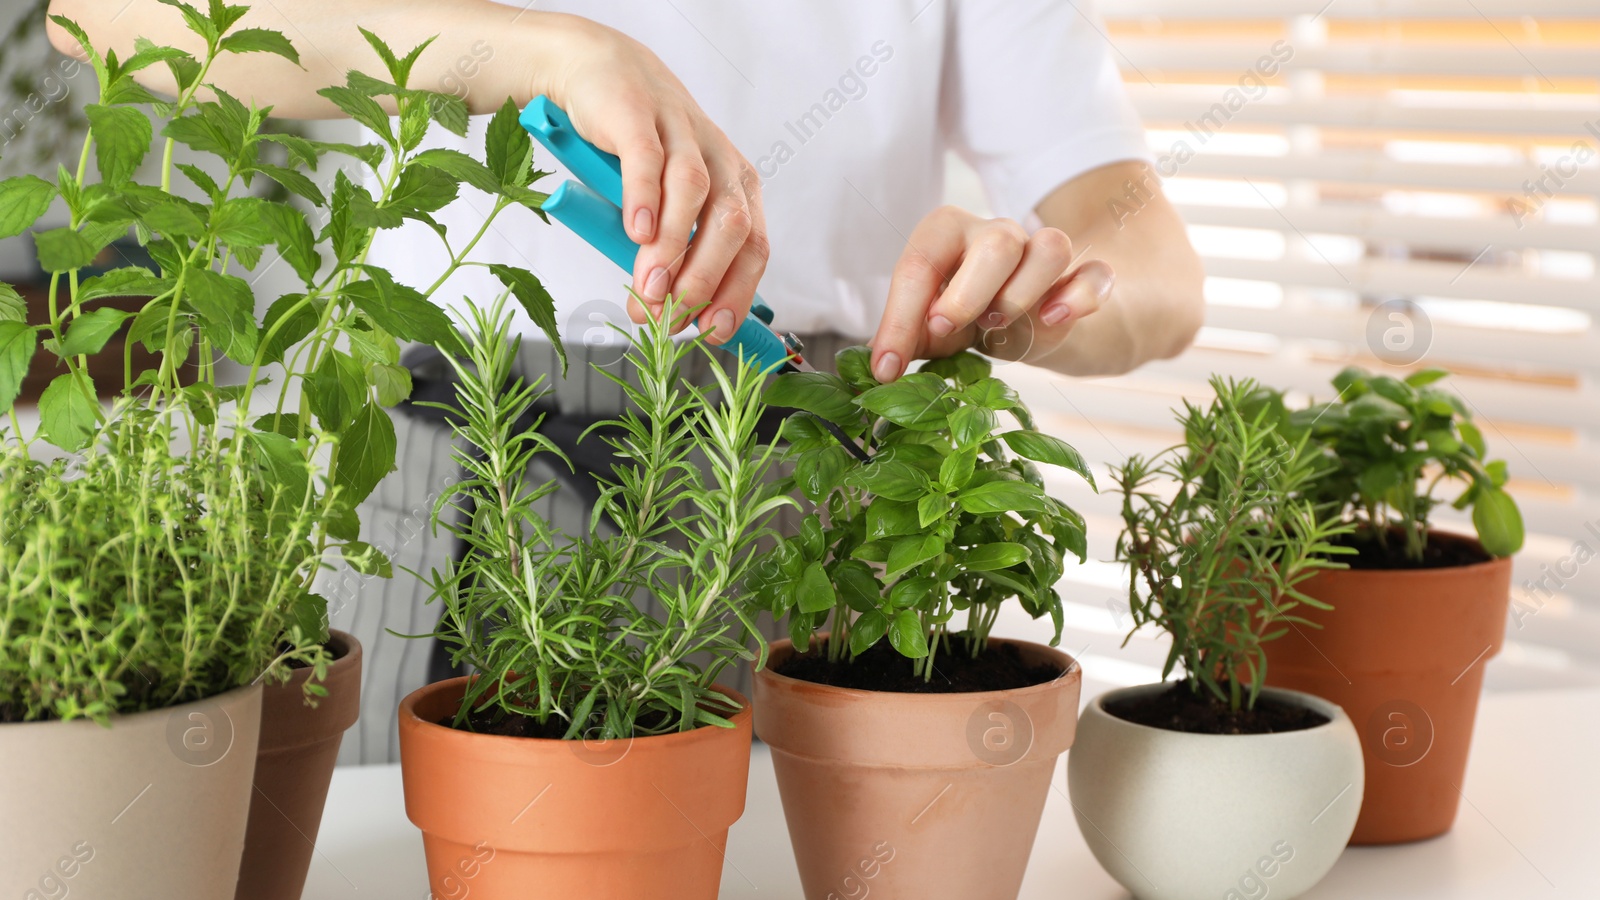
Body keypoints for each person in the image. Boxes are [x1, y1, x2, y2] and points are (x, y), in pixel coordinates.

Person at [50, 0, 1202, 382]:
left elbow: (1149, 259)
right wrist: (538, 57)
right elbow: (107, 17)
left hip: (812, 457)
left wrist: (1045, 294)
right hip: (463, 440)